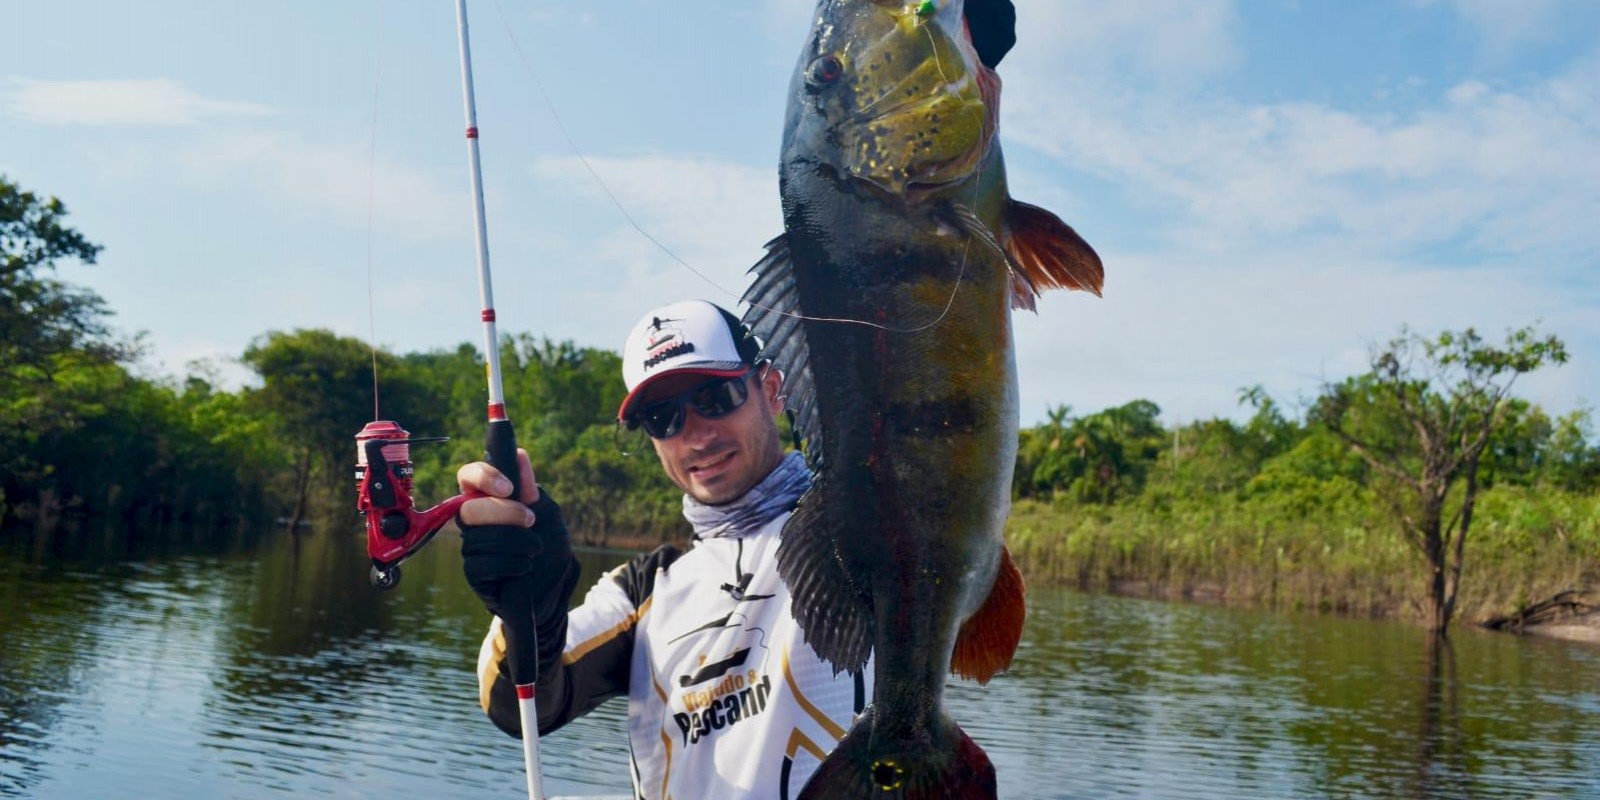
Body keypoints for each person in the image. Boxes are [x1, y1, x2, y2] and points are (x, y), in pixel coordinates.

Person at [456, 299, 871, 800]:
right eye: (662, 418)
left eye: (716, 397)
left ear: (770, 389)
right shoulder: (642, 589)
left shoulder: (865, 528)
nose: (695, 436)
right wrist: (530, 605)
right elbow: (516, 708)